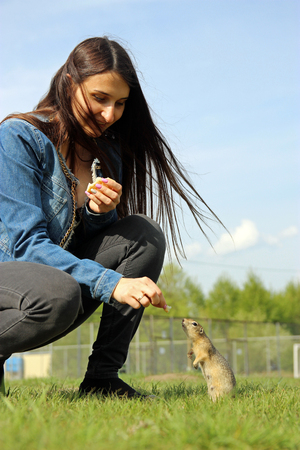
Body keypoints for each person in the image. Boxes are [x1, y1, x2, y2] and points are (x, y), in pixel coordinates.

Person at [0, 37, 223, 398]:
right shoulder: (19, 138)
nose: (110, 115)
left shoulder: (107, 153)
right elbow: (26, 247)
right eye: (100, 98)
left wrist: (97, 214)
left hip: (55, 284)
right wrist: (112, 283)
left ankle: (102, 379)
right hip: (11, 281)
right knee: (59, 292)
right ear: (70, 85)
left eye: (120, 104)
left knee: (142, 234)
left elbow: (81, 241)